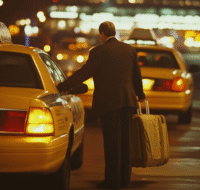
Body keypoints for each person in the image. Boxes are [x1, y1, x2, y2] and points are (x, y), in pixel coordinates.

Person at [57, 21, 145, 189]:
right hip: (128, 102)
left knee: (112, 144)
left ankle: (112, 181)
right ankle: (124, 180)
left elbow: (85, 73)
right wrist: (140, 95)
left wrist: (63, 86)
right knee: (126, 143)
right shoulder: (129, 50)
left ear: (102, 34)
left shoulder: (98, 52)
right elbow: (136, 76)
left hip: (109, 104)